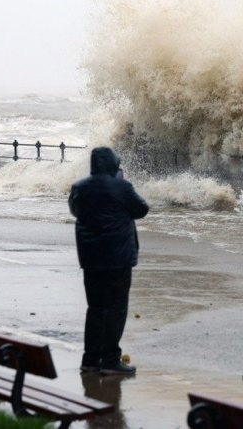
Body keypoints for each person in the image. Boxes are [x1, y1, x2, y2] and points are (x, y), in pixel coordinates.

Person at [69, 146, 149, 375]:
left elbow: (76, 211)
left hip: (91, 258)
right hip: (117, 258)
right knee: (116, 308)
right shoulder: (121, 187)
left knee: (95, 308)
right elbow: (141, 209)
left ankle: (90, 360)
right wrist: (121, 184)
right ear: (114, 164)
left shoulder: (79, 188)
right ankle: (111, 360)